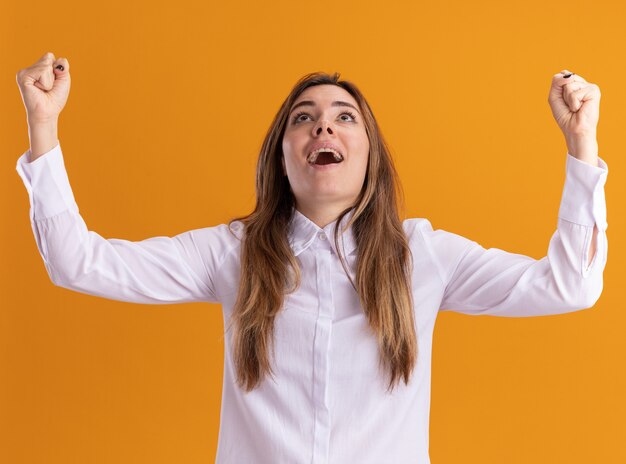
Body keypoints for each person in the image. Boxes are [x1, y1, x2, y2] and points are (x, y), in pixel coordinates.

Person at [15, 52, 609, 463]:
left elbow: (570, 286)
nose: (324, 124)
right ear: (283, 156)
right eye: (304, 119)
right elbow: (78, 262)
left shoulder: (423, 256)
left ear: (369, 154)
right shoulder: (232, 253)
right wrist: (43, 123)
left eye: (343, 117)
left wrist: (582, 146)